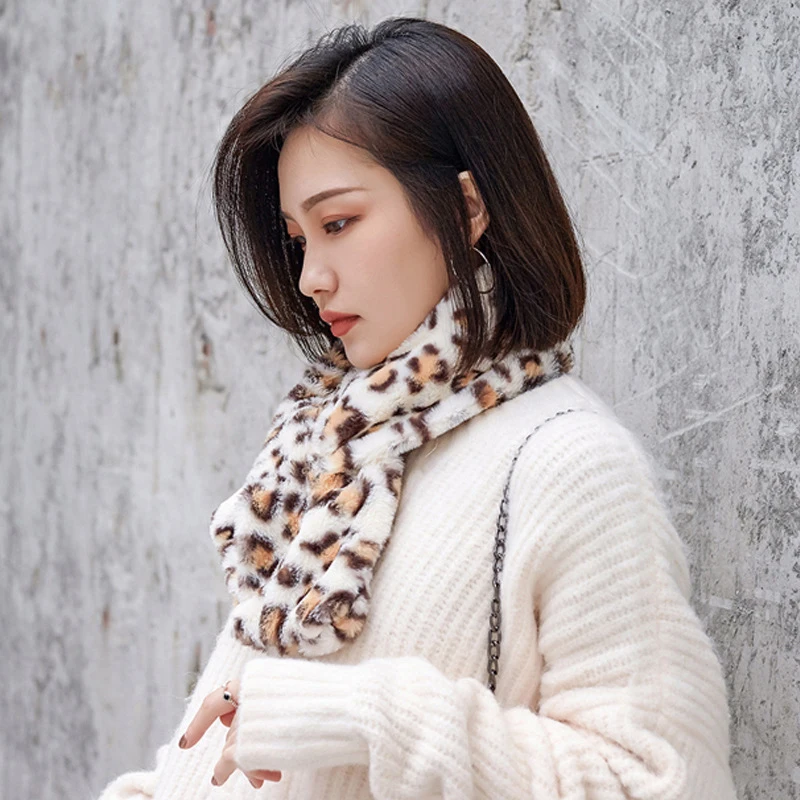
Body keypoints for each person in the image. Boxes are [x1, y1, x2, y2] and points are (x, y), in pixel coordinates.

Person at [98, 16, 737, 800]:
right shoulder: (329, 449)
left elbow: (662, 781)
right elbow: (210, 760)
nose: (310, 278)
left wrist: (367, 716)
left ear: (465, 209)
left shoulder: (569, 463)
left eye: (338, 223)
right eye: (299, 240)